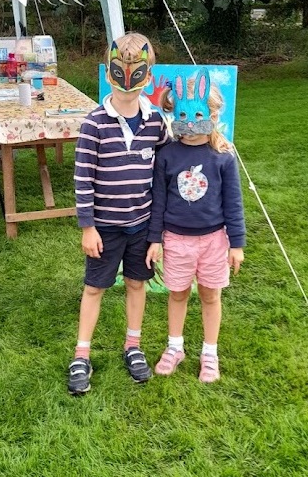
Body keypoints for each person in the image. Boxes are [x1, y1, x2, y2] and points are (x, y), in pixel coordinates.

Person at [68, 32, 168, 395]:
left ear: (148, 75)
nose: (128, 82)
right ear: (109, 73)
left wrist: (156, 233)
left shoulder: (156, 123)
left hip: (141, 225)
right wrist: (87, 227)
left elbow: (165, 171)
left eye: (137, 73)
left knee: (136, 283)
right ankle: (82, 353)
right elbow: (83, 178)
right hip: (105, 228)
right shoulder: (94, 123)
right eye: (120, 72)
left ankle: (133, 345)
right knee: (95, 287)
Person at [146, 70, 245, 383]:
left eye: (198, 114)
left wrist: (237, 244)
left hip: (214, 241)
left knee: (210, 296)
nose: (190, 123)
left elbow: (233, 204)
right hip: (175, 240)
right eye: (183, 114)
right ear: (174, 113)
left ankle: (209, 352)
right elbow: (158, 200)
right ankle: (175, 347)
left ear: (212, 114)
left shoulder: (223, 157)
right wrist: (155, 239)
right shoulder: (167, 155)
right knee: (177, 295)